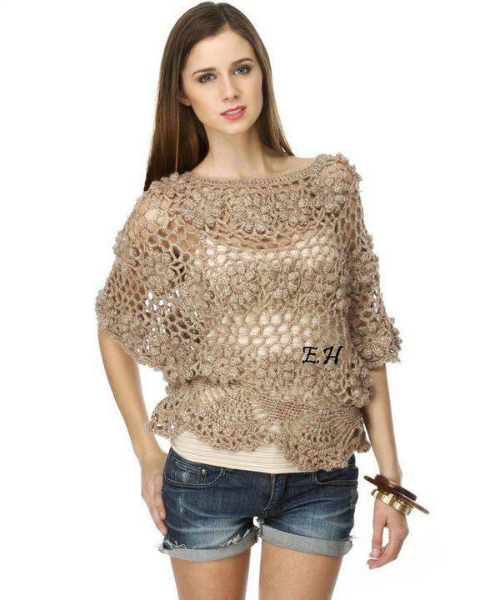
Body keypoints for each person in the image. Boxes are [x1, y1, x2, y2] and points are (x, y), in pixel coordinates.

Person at [95, 2, 408, 598]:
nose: (230, 91)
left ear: (263, 70)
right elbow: (115, 325)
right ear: (183, 93)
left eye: (242, 68)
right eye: (206, 76)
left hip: (320, 474)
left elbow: (360, 335)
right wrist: (146, 454)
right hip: (206, 473)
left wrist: (391, 482)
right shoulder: (169, 209)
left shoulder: (329, 185)